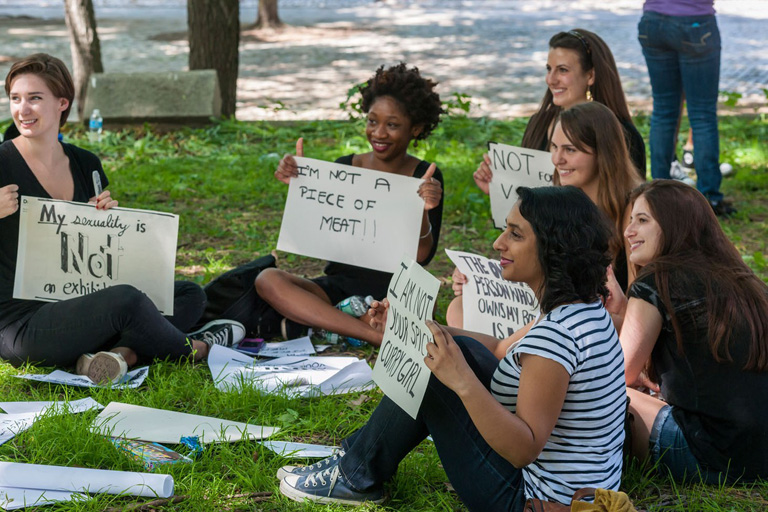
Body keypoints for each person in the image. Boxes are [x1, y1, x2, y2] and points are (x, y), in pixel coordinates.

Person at [277, 186, 627, 510]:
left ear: (554, 248)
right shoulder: (581, 312)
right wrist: (416, 327)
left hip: (531, 500)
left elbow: (524, 449)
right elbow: (499, 347)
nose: (498, 244)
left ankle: (355, 475)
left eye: (515, 234)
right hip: (569, 489)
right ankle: (355, 462)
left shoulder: (555, 338)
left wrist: (460, 380)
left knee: (436, 373)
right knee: (456, 348)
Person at [0, 54, 243, 384]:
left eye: (34, 98)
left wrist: (105, 219)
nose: (22, 110)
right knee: (128, 300)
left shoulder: (86, 163)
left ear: (62, 103)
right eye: (15, 98)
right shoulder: (2, 162)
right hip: (21, 323)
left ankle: (117, 356)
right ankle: (195, 350)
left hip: (79, 299)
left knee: (188, 294)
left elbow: (104, 253)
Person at [254, 63, 444, 347]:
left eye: (392, 125)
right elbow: (320, 230)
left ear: (415, 129)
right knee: (267, 279)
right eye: (372, 121)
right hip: (338, 288)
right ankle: (371, 334)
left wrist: (423, 212)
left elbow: (422, 256)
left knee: (412, 314)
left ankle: (324, 323)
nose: (379, 133)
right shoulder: (345, 167)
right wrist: (301, 185)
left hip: (392, 293)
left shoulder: (425, 176)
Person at [609, 180, 768, 482]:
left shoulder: (658, 279)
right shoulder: (746, 281)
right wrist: (622, 312)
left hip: (713, 455)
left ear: (674, 225)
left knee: (601, 392)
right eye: (630, 221)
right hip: (760, 452)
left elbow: (617, 375)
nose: (628, 231)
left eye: (642, 221)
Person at [447, 101, 642, 328]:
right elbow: (530, 265)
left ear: (604, 153)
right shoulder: (557, 202)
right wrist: (478, 280)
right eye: (554, 147)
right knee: (459, 308)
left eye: (570, 149)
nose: (557, 159)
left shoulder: (632, 210)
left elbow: (635, 311)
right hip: (548, 311)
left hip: (597, 325)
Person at [638, 1, 736, 216]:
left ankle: (658, 194)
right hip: (694, 21)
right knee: (702, 115)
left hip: (653, 21)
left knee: (663, 111)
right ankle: (709, 199)